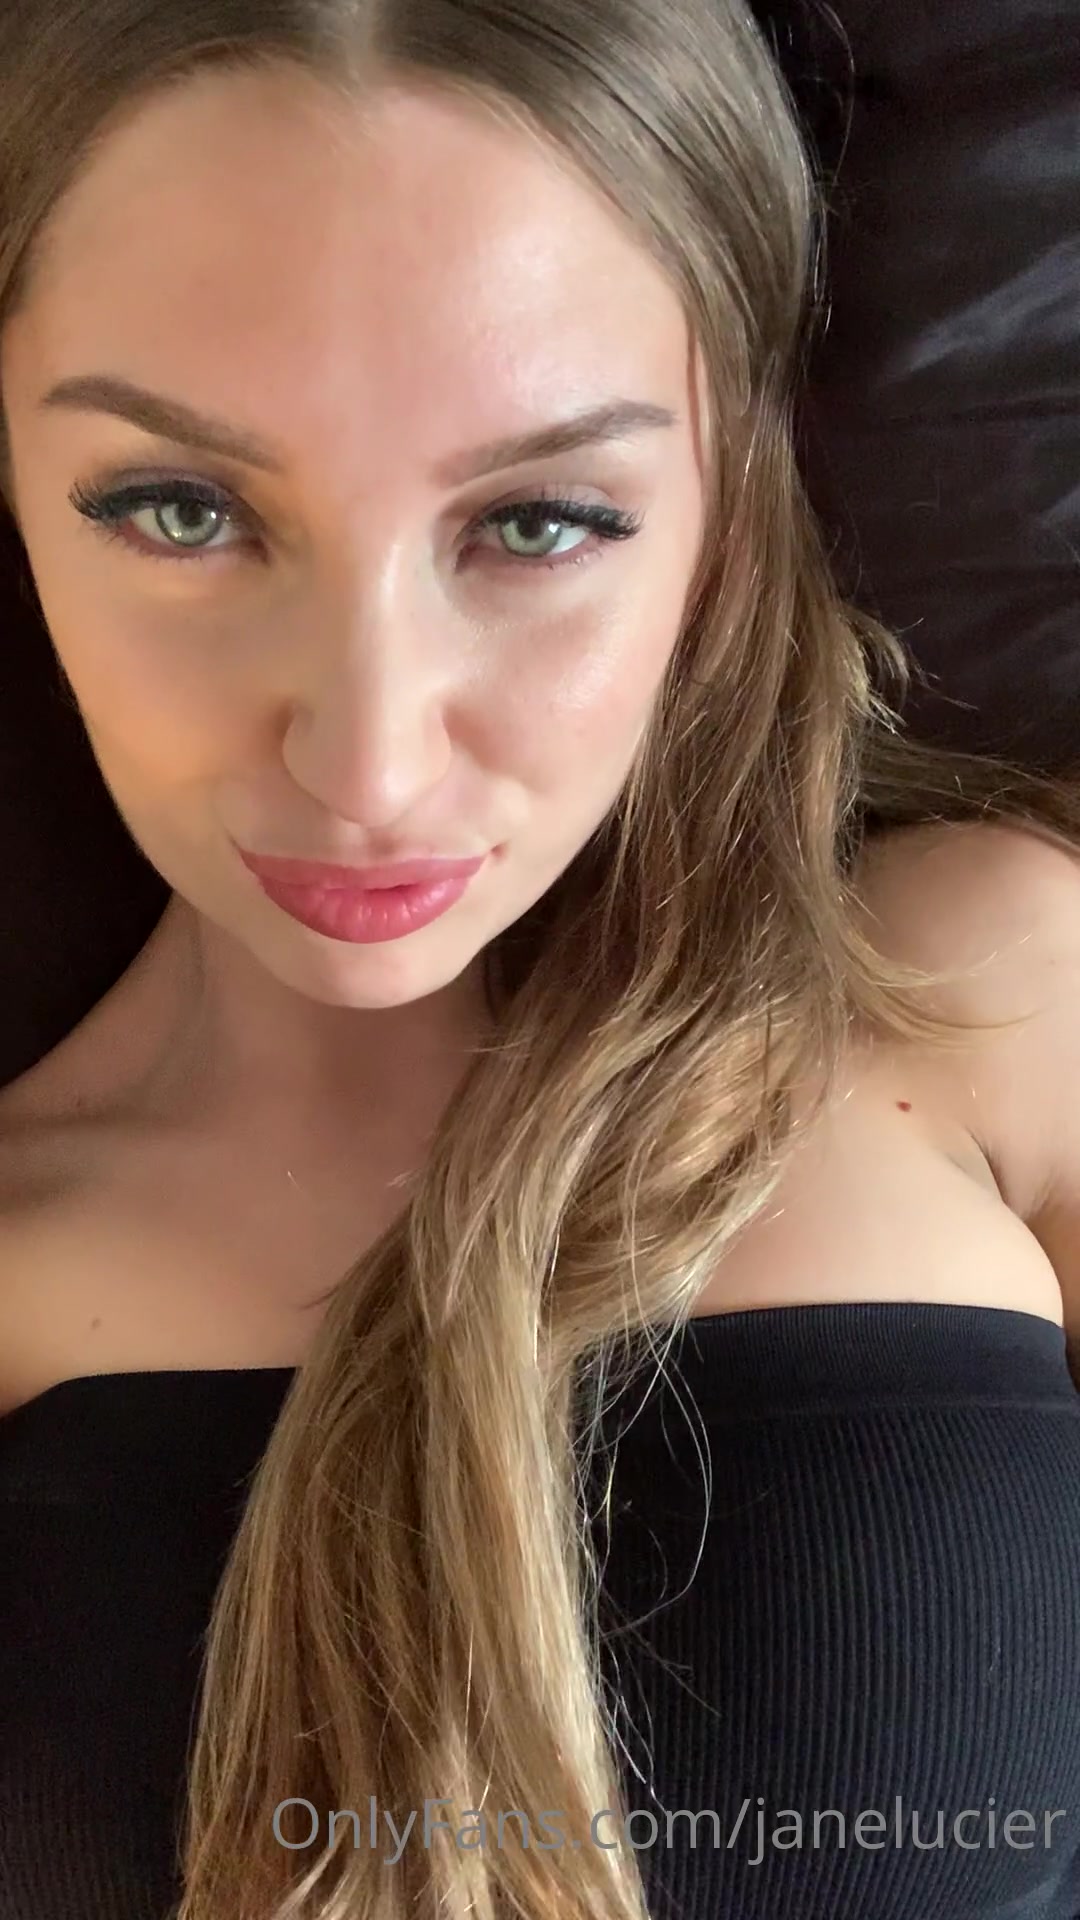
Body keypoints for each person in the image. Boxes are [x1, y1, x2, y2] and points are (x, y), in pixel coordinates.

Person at [0, 2, 1079, 1918]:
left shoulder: (1000, 991)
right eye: (181, 509)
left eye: (541, 520)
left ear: (723, 503)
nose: (367, 761)